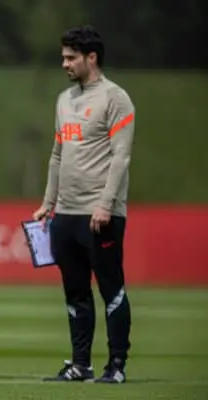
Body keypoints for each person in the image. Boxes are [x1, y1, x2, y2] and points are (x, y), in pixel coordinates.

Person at [32, 25, 135, 384]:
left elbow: (121, 158)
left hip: (99, 213)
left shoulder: (115, 98)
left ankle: (117, 365)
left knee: (111, 289)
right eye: (63, 57)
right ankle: (81, 364)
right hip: (66, 213)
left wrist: (106, 204)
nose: (65, 64)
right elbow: (57, 155)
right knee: (75, 291)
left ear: (91, 57)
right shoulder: (64, 100)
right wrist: (48, 203)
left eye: (71, 57)